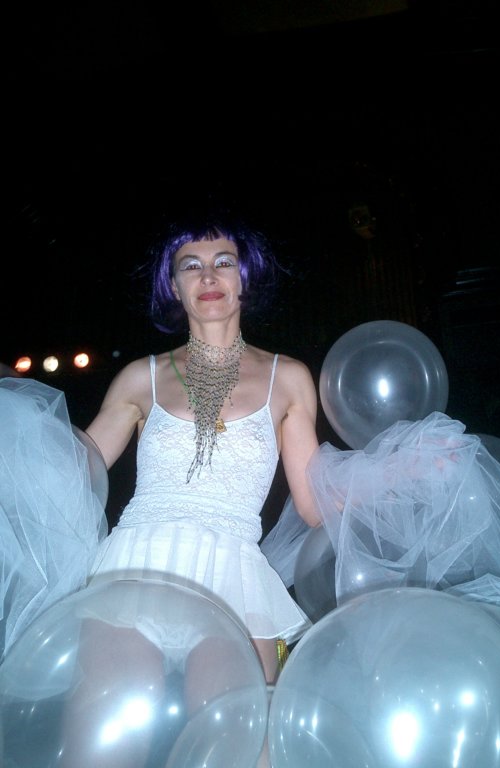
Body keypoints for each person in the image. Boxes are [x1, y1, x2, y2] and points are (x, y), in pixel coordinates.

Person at [0, 207, 322, 768]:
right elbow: (78, 468)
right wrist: (16, 428)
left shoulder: (288, 378)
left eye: (224, 262)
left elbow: (314, 505)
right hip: (135, 569)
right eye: (190, 265)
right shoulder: (139, 377)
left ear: (245, 277)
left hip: (235, 579)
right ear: (173, 286)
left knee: (247, 749)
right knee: (102, 748)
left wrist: (402, 475)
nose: (208, 276)